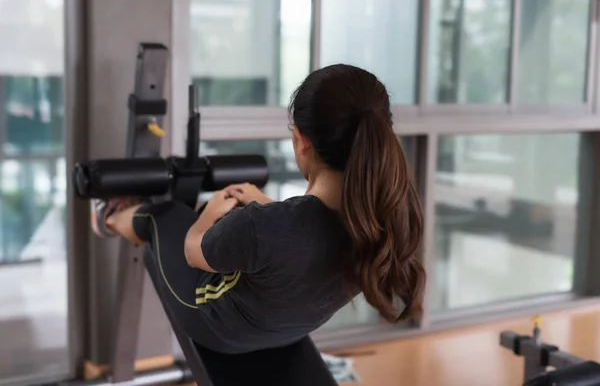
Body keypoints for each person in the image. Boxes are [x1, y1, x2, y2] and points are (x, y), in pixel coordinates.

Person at [90, 64, 426, 355]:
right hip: (285, 332)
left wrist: (206, 215)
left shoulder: (262, 225)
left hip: (216, 327)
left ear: (301, 140)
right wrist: (258, 200)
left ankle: (109, 217)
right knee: (220, 224)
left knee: (164, 216)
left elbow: (193, 252)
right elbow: (300, 232)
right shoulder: (380, 217)